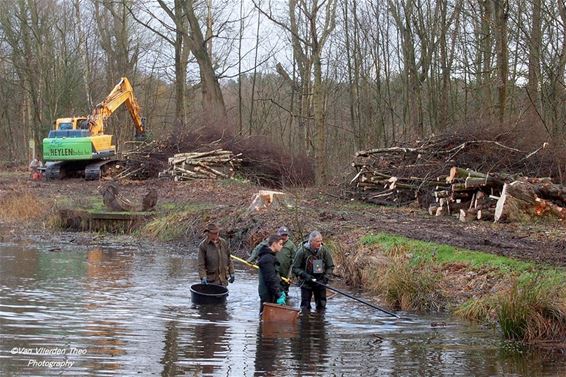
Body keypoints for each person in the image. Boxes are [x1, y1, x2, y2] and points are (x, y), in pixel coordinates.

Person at [292, 231, 334, 312]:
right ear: (311, 241)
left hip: (320, 282)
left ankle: (320, 322)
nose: (320, 243)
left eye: (321, 241)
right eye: (317, 241)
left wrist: (326, 277)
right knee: (305, 307)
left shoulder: (324, 251)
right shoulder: (302, 251)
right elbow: (295, 268)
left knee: (321, 306)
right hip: (306, 282)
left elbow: (330, 266)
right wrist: (305, 275)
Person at [247, 226, 296, 293]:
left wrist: (291, 275)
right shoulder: (270, 241)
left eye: (285, 235)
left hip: (284, 274)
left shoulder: (291, 245)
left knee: (284, 292)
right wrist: (251, 259)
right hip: (273, 271)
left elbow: (294, 261)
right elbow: (258, 248)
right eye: (282, 235)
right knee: (272, 289)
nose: (283, 237)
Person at [257, 234, 287, 314]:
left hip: (270, 292)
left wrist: (281, 289)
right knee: (265, 317)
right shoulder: (267, 259)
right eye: (280, 244)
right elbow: (270, 279)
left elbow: (274, 276)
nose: (282, 246)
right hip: (267, 293)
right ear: (274, 244)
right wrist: (278, 294)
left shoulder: (270, 257)